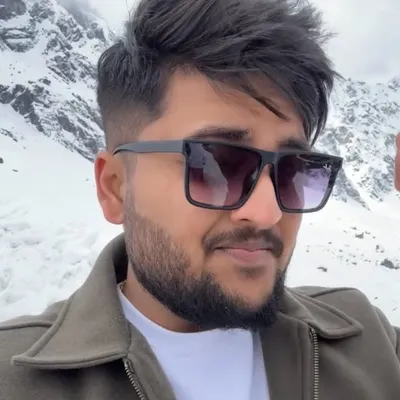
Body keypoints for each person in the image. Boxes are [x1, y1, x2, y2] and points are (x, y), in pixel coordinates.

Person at [0, 0, 399, 399]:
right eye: (216, 165)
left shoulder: (368, 340)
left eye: (293, 171)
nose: (267, 212)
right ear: (115, 187)